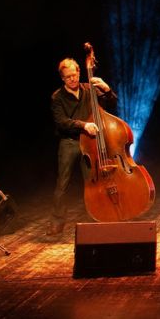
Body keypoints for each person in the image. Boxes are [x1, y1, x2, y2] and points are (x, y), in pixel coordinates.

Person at [48, 57, 116, 235]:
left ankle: (96, 216)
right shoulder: (57, 97)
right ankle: (57, 222)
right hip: (69, 142)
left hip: (90, 142)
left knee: (93, 181)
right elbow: (61, 122)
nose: (72, 79)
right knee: (63, 183)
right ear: (62, 78)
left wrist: (106, 88)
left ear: (79, 72)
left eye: (74, 75)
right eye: (68, 77)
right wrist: (84, 125)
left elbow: (112, 103)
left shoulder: (89, 89)